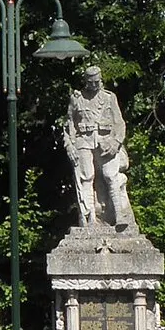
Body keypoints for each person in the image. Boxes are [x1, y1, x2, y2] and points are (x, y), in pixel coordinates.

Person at [62, 65, 135, 231]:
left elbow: (119, 123)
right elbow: (69, 126)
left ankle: (119, 215)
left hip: (105, 141)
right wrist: (69, 146)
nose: (95, 85)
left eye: (97, 81)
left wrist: (116, 143)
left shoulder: (109, 98)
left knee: (111, 175)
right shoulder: (77, 98)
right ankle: (89, 219)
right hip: (83, 141)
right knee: (86, 177)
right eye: (91, 82)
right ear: (86, 82)